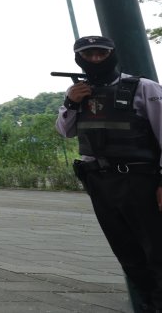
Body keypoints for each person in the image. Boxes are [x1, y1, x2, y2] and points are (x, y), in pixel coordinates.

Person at [56, 34, 162, 312]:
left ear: (112, 54)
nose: (95, 59)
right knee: (127, 253)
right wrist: (71, 103)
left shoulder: (144, 88)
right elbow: (65, 132)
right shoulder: (77, 93)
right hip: (99, 182)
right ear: (78, 58)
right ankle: (150, 304)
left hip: (140, 180)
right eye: (88, 55)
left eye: (101, 54)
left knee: (157, 250)